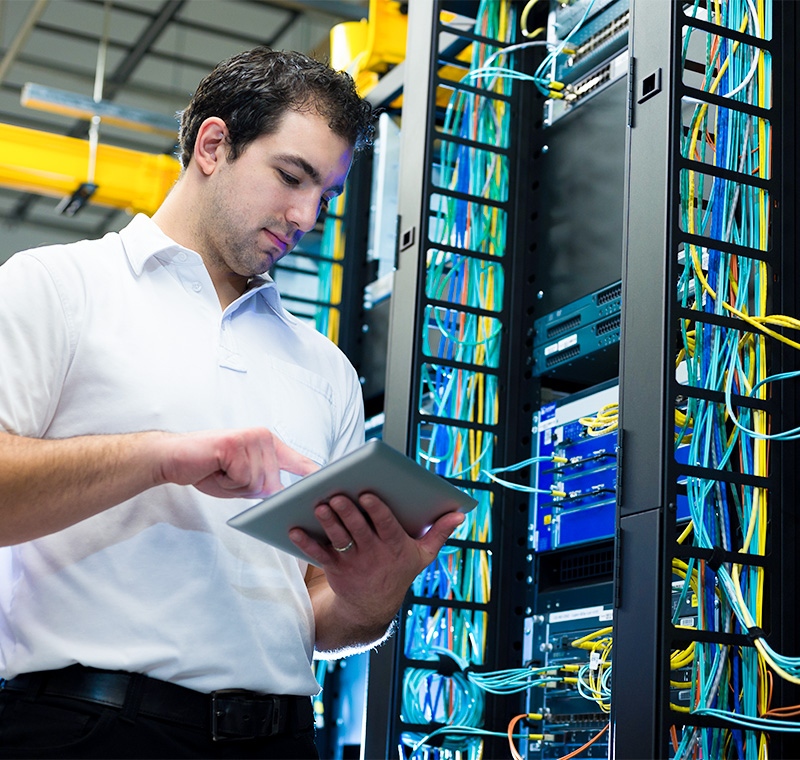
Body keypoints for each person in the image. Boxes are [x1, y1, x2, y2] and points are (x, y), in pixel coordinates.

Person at [0, 47, 464, 759]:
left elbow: (316, 613)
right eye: (291, 176)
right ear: (214, 145)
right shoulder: (57, 287)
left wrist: (369, 594)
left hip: (277, 739)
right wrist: (162, 457)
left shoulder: (325, 370)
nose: (306, 215)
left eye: (326, 196)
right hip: (88, 730)